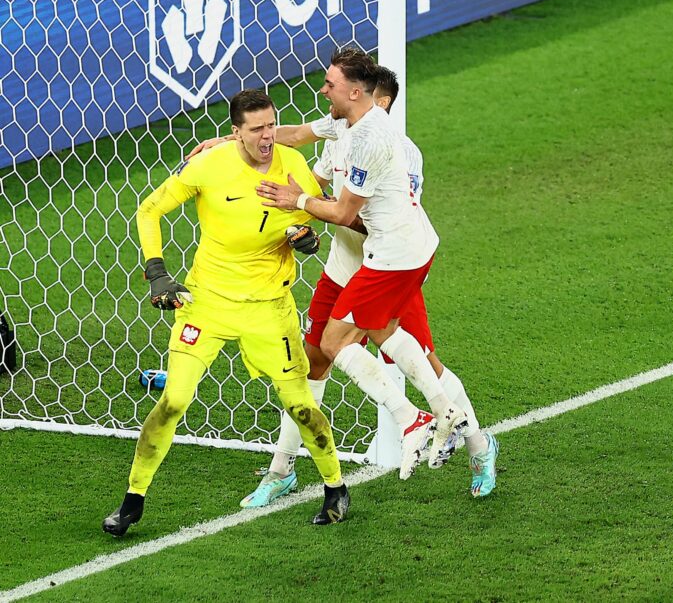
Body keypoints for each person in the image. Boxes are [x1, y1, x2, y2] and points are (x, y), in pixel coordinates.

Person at [102, 90, 350, 536]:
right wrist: (156, 271)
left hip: (269, 309)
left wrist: (304, 237)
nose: (267, 137)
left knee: (300, 404)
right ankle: (132, 501)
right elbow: (149, 210)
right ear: (235, 132)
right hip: (208, 305)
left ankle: (335, 486)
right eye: (256, 129)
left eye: (271, 125)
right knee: (173, 400)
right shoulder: (209, 166)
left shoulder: (293, 166)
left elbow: (313, 214)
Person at [256, 47, 472, 482]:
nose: (322, 89)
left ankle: (416, 421)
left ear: (356, 91)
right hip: (388, 252)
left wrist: (294, 200)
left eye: (330, 84)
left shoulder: (374, 141)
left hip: (392, 256)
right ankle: (443, 414)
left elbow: (341, 213)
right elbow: (298, 134)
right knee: (378, 332)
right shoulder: (344, 123)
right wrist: (239, 138)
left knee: (337, 342)